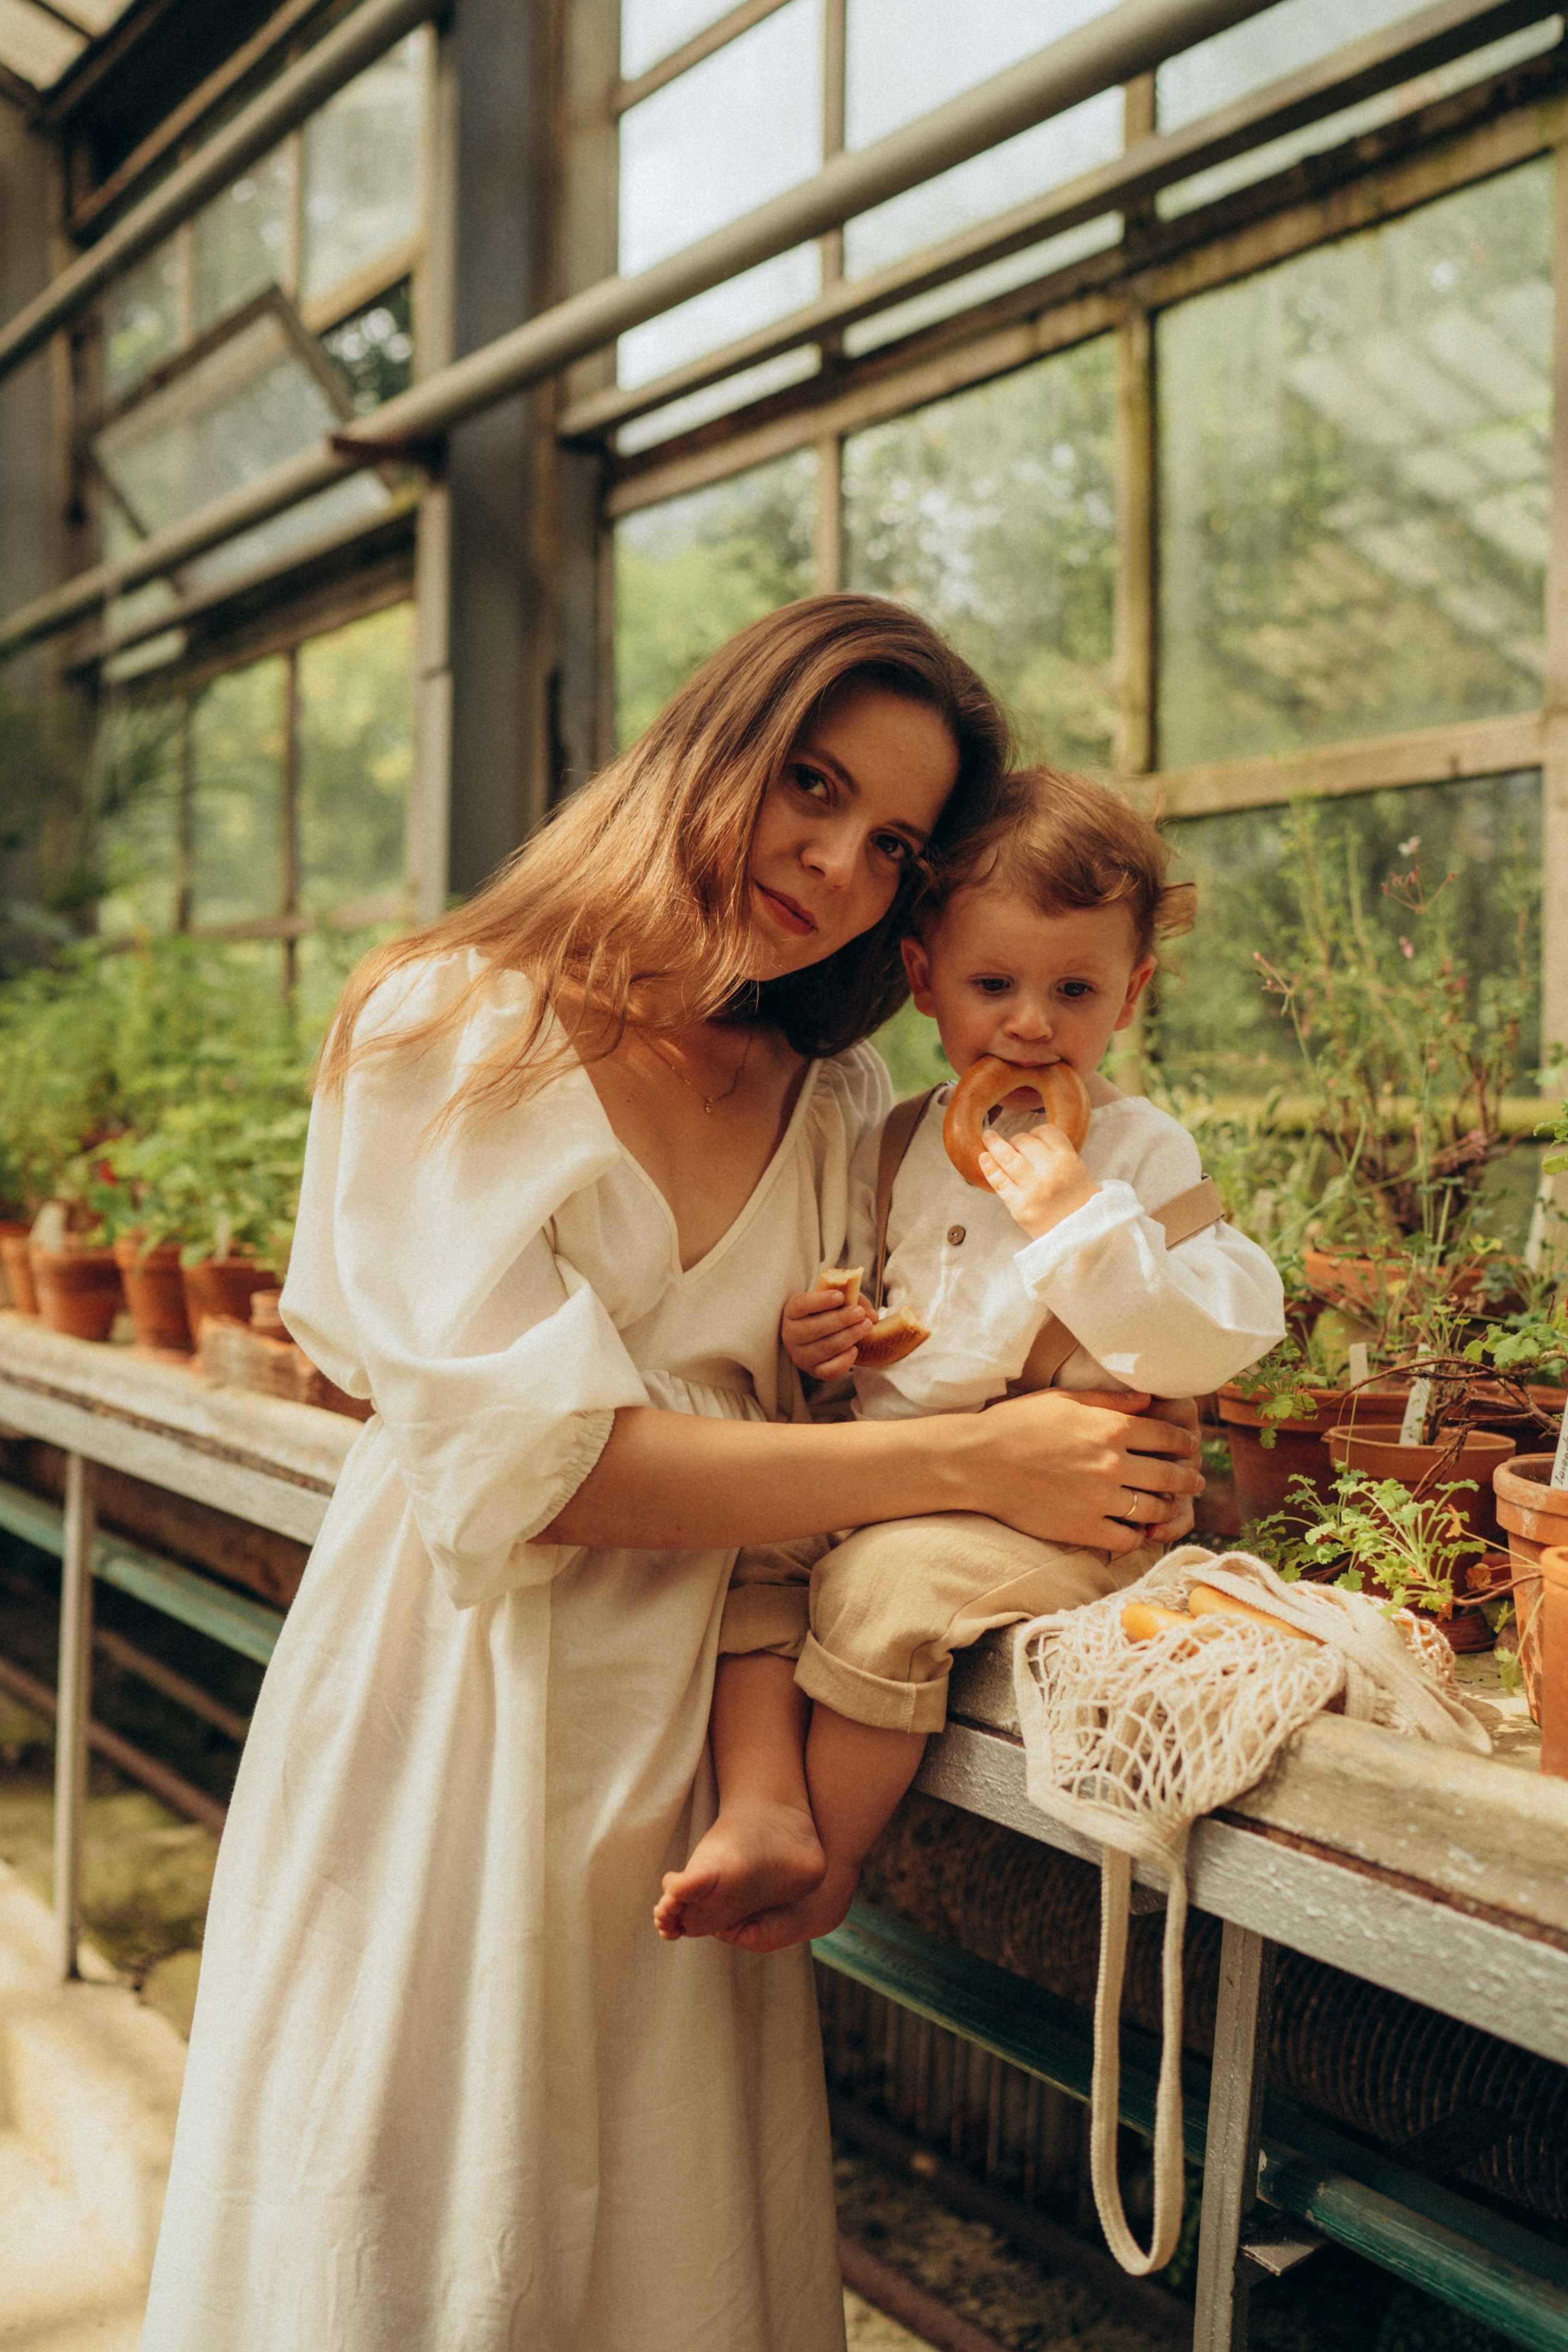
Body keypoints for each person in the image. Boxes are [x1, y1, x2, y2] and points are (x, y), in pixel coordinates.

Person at [139, 602, 1205, 2352]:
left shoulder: (837, 1096)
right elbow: (544, 1468)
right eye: (811, 784)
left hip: (706, 1731)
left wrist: (1109, 1421)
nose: (836, 862)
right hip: (457, 1703)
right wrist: (989, 1460)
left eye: (895, 845)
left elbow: (827, 1444)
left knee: (649, 2235)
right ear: (709, 747)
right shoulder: (452, 1025)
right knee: (403, 2198)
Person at [657, 767, 1283, 1956]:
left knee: (883, 1591)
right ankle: (761, 1804)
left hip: (1060, 1517)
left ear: (1131, 994)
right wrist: (827, 1332)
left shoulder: (1136, 1156)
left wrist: (1076, 1220)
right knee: (753, 1539)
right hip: (894, 1469)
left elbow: (1216, 1331)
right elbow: (882, 1312)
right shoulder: (897, 1138)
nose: (1031, 1024)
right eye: (992, 985)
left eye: (1073, 990)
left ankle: (831, 1859)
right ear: (922, 981)